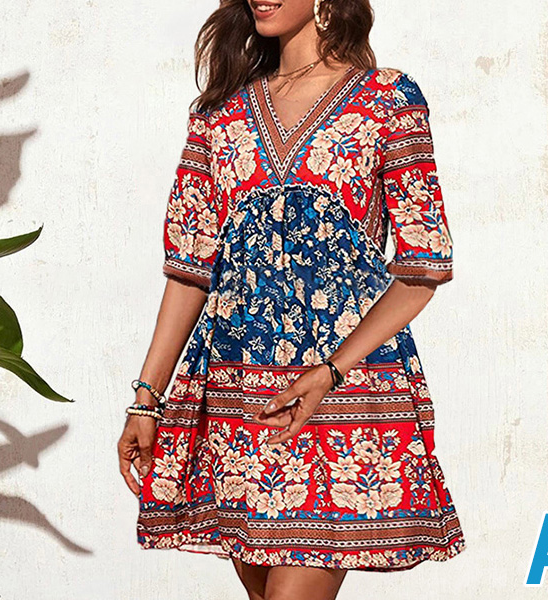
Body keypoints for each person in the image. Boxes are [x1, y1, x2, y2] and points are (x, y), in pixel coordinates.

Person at [117, 0, 467, 598]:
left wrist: (332, 371)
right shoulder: (219, 114)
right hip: (237, 398)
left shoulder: (387, 100)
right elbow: (188, 272)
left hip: (342, 392)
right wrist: (146, 400)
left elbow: (422, 266)